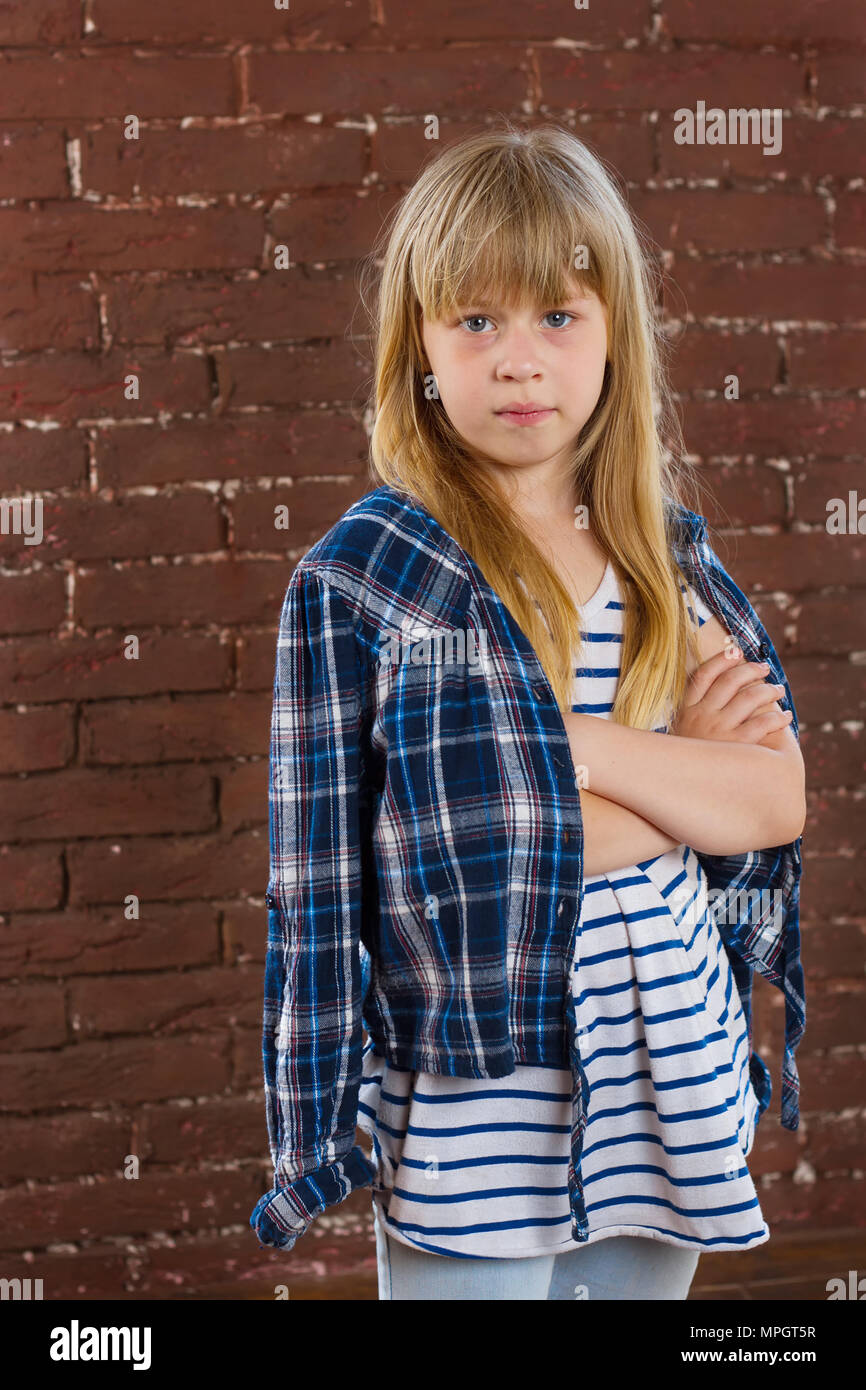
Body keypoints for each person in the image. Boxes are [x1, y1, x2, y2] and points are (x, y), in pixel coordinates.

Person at [250, 122, 806, 1302]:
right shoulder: (367, 576)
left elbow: (772, 798)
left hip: (665, 1059)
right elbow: (444, 851)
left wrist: (580, 750)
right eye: (475, 320)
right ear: (418, 348)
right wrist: (673, 783)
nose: (517, 360)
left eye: (556, 317)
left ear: (614, 345)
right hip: (476, 1085)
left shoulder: (661, 557)